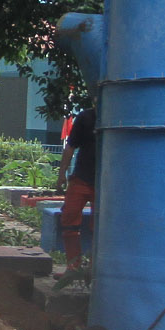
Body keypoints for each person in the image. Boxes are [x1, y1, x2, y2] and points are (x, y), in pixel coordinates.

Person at [59, 105, 97, 266]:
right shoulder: (85, 117)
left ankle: (96, 269)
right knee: (69, 219)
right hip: (81, 178)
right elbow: (70, 146)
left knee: (101, 226)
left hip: (105, 183)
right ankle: (73, 267)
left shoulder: (117, 116)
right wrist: (61, 174)